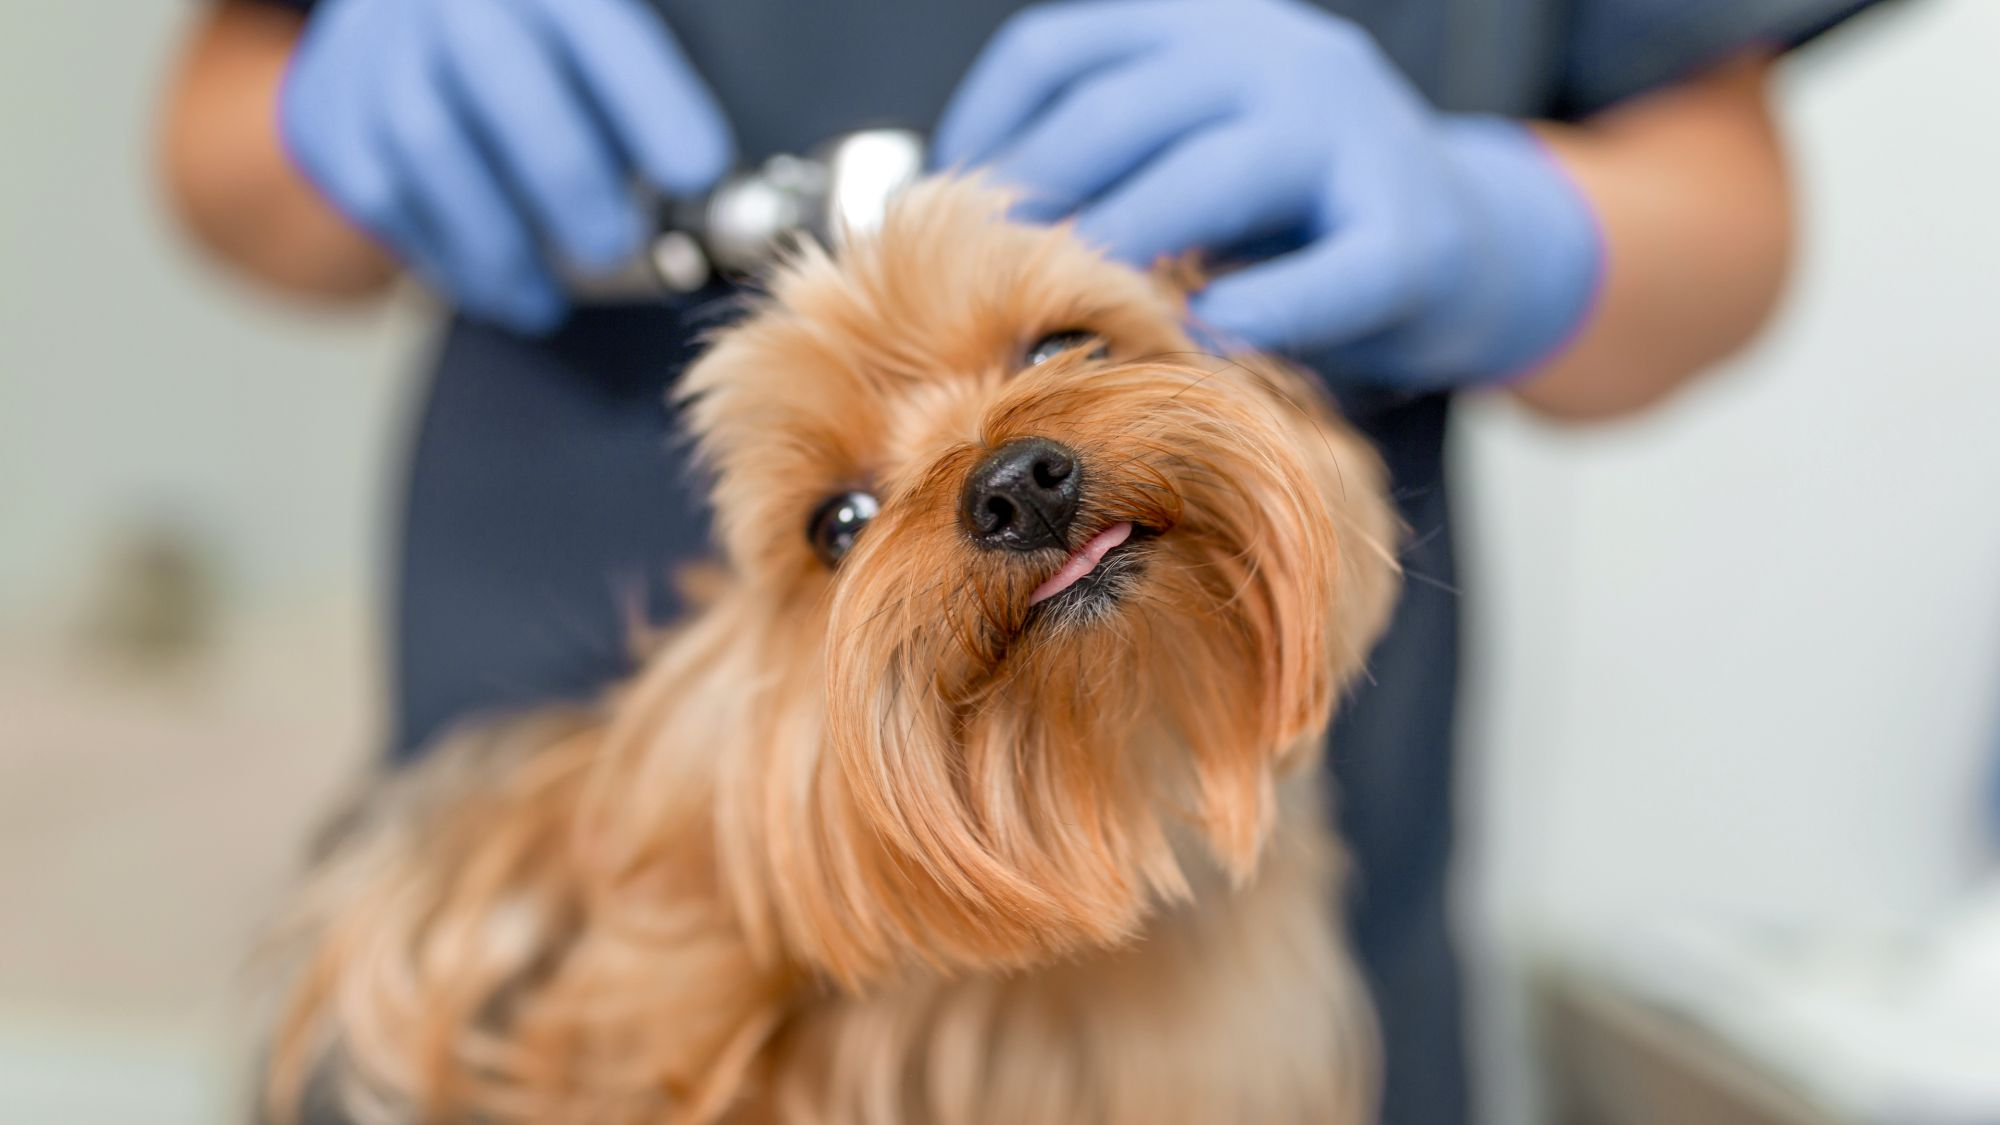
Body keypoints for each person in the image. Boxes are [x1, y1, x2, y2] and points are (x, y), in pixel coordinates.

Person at [160, 1, 1890, 1120]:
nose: (1011, 470)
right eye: (844, 523)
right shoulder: (545, 888)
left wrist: (1509, 225)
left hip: (1315, 908)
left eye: (1069, 347)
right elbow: (216, 139)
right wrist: (329, 108)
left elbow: (1722, 193)